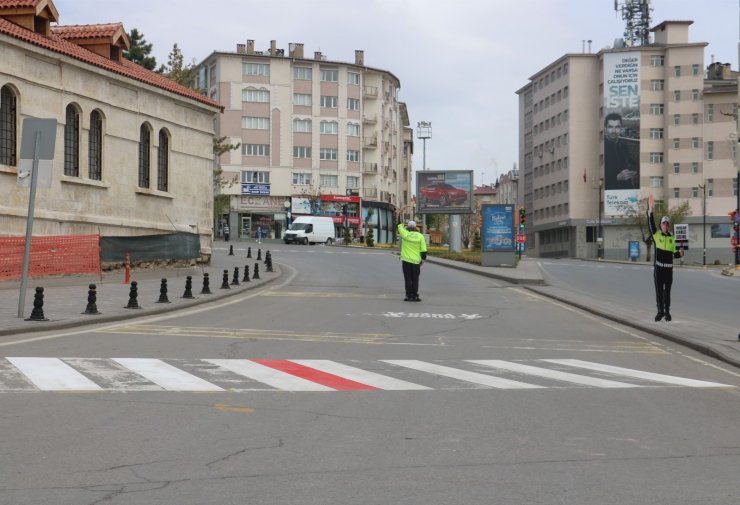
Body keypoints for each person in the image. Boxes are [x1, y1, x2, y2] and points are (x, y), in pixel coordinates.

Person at [647, 194, 683, 321]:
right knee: (659, 291)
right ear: (661, 225)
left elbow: (675, 254)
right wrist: (650, 209)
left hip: (669, 270)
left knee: (667, 292)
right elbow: (651, 224)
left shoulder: (673, 238)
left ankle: (667, 312)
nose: (665, 226)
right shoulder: (657, 235)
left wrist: (681, 254)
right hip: (659, 269)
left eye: (667, 224)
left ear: (669, 225)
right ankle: (660, 312)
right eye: (663, 224)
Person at [604, 112, 639, 189]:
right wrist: (616, 177)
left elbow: (630, 162)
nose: (614, 131)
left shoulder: (623, 145)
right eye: (610, 127)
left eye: (617, 127)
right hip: (609, 190)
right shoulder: (600, 147)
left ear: (620, 128)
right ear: (605, 128)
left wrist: (633, 173)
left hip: (626, 187)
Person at [397, 218, 427, 302]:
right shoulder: (420, 236)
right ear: (415, 227)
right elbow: (423, 250)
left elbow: (399, 226)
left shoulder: (405, 234)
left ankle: (408, 295)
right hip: (416, 262)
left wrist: (399, 214)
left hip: (406, 261)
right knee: (415, 279)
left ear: (408, 227)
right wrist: (423, 260)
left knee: (407, 279)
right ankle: (415, 295)